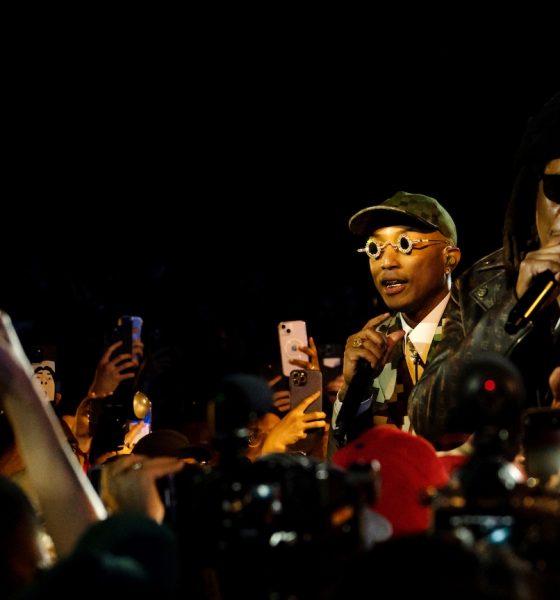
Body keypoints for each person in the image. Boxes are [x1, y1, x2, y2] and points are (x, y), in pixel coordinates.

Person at [409, 91, 560, 448]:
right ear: (530, 192)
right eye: (559, 189)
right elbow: (430, 420)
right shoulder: (482, 286)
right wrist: (512, 310)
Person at [333, 191, 462, 446]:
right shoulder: (371, 348)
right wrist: (352, 390)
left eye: (405, 245)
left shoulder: (482, 333)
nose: (386, 262)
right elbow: (344, 462)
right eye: (375, 249)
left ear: (449, 258)